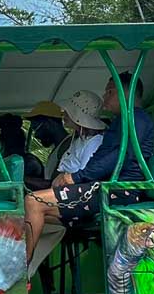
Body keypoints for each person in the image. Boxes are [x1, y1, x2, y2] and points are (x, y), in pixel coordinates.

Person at [24, 74, 154, 264]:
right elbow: (102, 157)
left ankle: (18, 274)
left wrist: (77, 177)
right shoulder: (120, 122)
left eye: (109, 92)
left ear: (124, 94)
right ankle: (26, 269)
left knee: (33, 201)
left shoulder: (137, 118)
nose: (105, 97)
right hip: (103, 188)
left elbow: (121, 155)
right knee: (29, 211)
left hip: (118, 191)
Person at [22, 90, 106, 264]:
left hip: (83, 197)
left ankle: (22, 264)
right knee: (26, 213)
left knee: (32, 201)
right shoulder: (79, 140)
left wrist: (66, 179)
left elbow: (83, 178)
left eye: (67, 111)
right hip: (68, 195)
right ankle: (30, 268)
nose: (63, 114)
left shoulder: (95, 141)